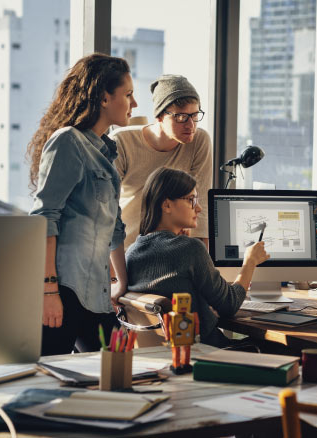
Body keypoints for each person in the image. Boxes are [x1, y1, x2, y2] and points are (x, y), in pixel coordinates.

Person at [28, 53, 136, 355]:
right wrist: (48, 291)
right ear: (104, 97)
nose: (134, 104)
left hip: (97, 296)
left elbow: (114, 229)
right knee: (49, 385)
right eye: (128, 95)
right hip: (64, 292)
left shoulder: (107, 152)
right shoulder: (68, 142)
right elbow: (44, 217)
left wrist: (121, 285)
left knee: (122, 365)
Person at [125, 167, 269, 347]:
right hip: (208, 354)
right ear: (167, 205)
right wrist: (250, 262)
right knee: (283, 348)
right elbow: (229, 305)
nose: (199, 208)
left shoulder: (132, 251)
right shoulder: (190, 249)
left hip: (163, 358)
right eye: (191, 200)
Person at [112, 74, 212, 249]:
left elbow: (200, 203)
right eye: (181, 117)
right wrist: (114, 271)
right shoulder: (122, 142)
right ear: (159, 116)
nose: (191, 126)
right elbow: (107, 210)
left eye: (194, 116)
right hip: (127, 249)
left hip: (172, 251)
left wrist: (203, 262)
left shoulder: (199, 141)